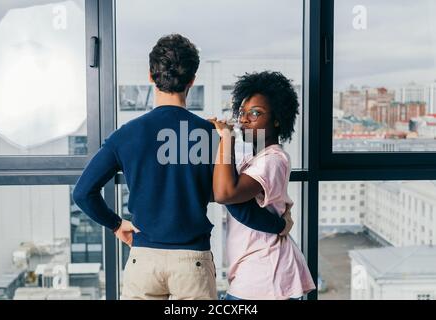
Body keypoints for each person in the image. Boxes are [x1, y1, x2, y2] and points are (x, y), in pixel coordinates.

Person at [73, 34, 292, 300]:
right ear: (192, 81)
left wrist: (117, 224)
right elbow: (235, 203)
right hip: (193, 263)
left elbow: (83, 193)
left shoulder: (126, 135)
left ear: (151, 77)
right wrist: (277, 225)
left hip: (143, 261)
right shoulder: (210, 135)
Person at [210, 71, 316, 300]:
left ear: (277, 119)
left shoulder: (273, 160)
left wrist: (226, 139)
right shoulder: (254, 158)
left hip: (265, 275)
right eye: (242, 113)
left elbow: (226, 193)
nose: (244, 119)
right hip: (258, 271)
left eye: (255, 113)